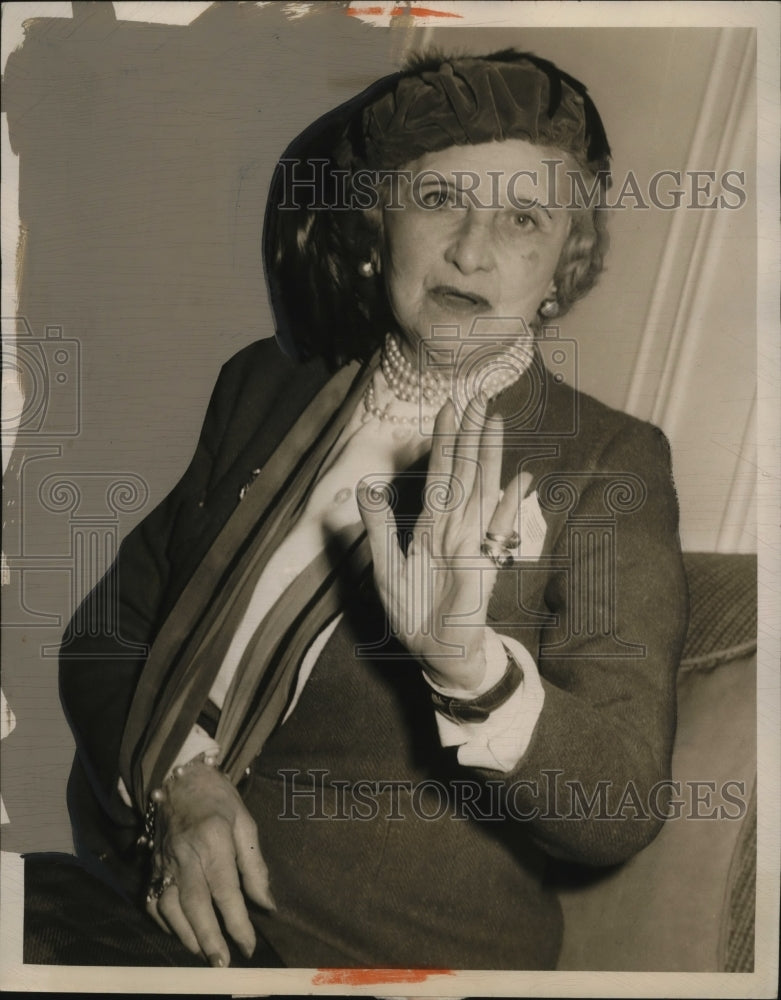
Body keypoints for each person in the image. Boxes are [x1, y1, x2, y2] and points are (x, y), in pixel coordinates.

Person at [42, 49, 688, 970]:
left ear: (561, 268)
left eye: (523, 219)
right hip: (134, 885)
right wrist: (178, 780)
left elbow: (619, 806)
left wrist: (471, 671)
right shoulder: (266, 382)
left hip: (372, 953)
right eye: (437, 202)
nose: (471, 249)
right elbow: (105, 630)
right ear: (379, 224)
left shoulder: (607, 464)